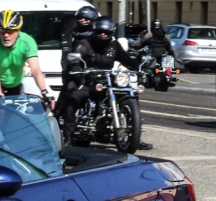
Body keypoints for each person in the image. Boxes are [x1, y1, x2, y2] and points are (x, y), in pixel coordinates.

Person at [57, 17, 150, 149]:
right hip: (90, 81)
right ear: (95, 31)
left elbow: (126, 59)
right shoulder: (85, 44)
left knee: (131, 95)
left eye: (105, 33)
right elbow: (76, 56)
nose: (103, 35)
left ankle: (134, 136)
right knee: (73, 98)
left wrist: (140, 67)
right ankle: (68, 136)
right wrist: (76, 66)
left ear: (110, 33)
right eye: (100, 32)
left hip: (108, 81)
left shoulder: (113, 46)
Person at [0, 10, 55, 111]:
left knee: (18, 114)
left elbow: (36, 70)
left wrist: (44, 92)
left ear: (19, 30)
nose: (6, 35)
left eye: (10, 31)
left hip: (15, 83)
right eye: (2, 31)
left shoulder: (27, 42)